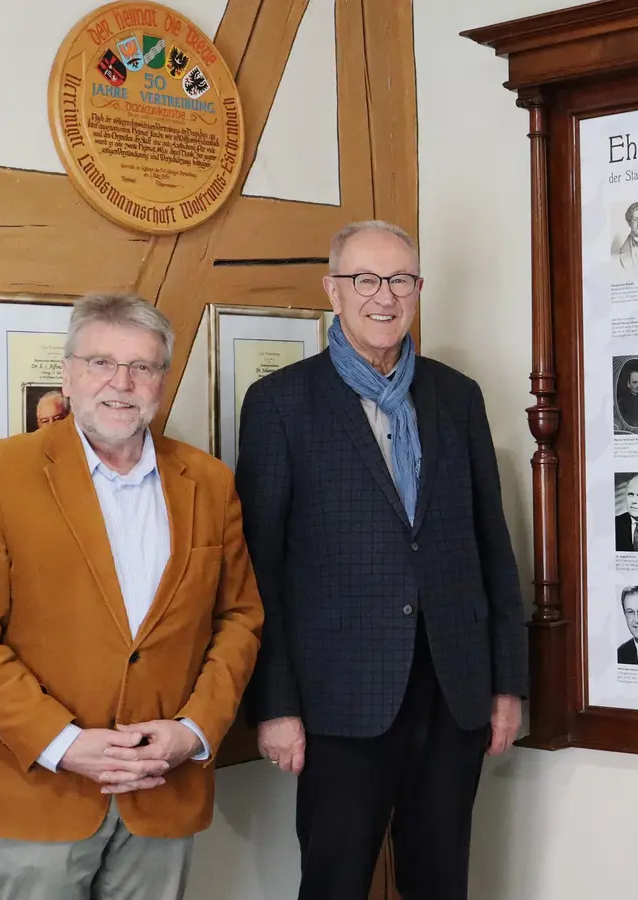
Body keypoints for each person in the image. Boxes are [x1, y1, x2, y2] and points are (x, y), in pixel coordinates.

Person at [0, 292, 265, 900]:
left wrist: (194, 730)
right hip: (41, 789)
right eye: (101, 363)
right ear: (68, 372)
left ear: (162, 380)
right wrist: (65, 744)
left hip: (162, 787)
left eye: (142, 366)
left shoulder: (210, 482)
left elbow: (239, 618)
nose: (122, 383)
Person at [235, 220, 528, 900]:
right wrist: (275, 706)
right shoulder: (282, 405)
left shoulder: (458, 397)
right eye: (365, 279)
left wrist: (507, 684)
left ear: (418, 290)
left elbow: (492, 544)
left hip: (453, 693)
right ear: (332, 291)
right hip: (338, 703)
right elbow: (260, 570)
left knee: (441, 883)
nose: (384, 296)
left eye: (400, 279)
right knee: (335, 884)